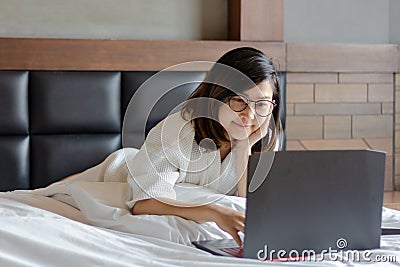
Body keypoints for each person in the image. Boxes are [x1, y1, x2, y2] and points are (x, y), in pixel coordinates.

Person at [127, 47, 282, 247]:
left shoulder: (263, 137)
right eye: (238, 101)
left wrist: (244, 150)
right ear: (217, 95)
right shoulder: (176, 132)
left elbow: (249, 207)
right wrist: (214, 212)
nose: (250, 116)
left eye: (261, 104)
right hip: (134, 169)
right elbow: (143, 204)